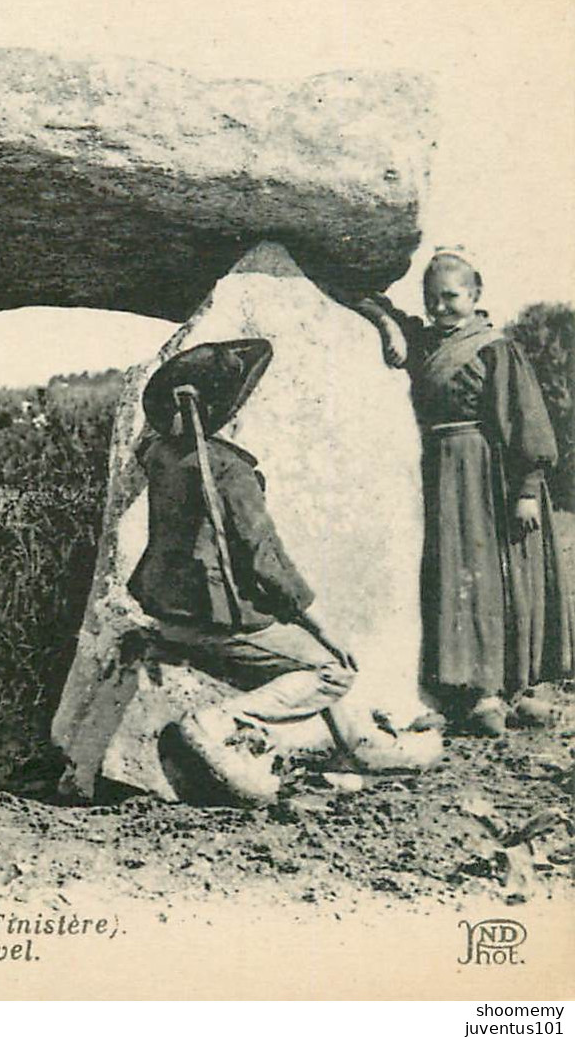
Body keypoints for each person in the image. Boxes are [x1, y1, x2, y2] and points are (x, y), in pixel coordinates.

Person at [129, 340, 369, 806]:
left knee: (306, 650)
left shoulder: (161, 455)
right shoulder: (230, 470)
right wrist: (322, 625)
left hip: (167, 607)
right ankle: (217, 723)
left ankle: (353, 748)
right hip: (212, 617)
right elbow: (266, 560)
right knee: (331, 668)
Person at [352, 250, 574, 734]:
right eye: (432, 298)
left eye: (451, 297)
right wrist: (389, 327)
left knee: (493, 576)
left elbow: (526, 421)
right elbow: (367, 299)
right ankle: (465, 691)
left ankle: (503, 690)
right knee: (452, 577)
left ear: (476, 295)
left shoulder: (496, 348)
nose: (441, 307)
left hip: (485, 472)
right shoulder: (425, 340)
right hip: (436, 469)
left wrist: (528, 490)